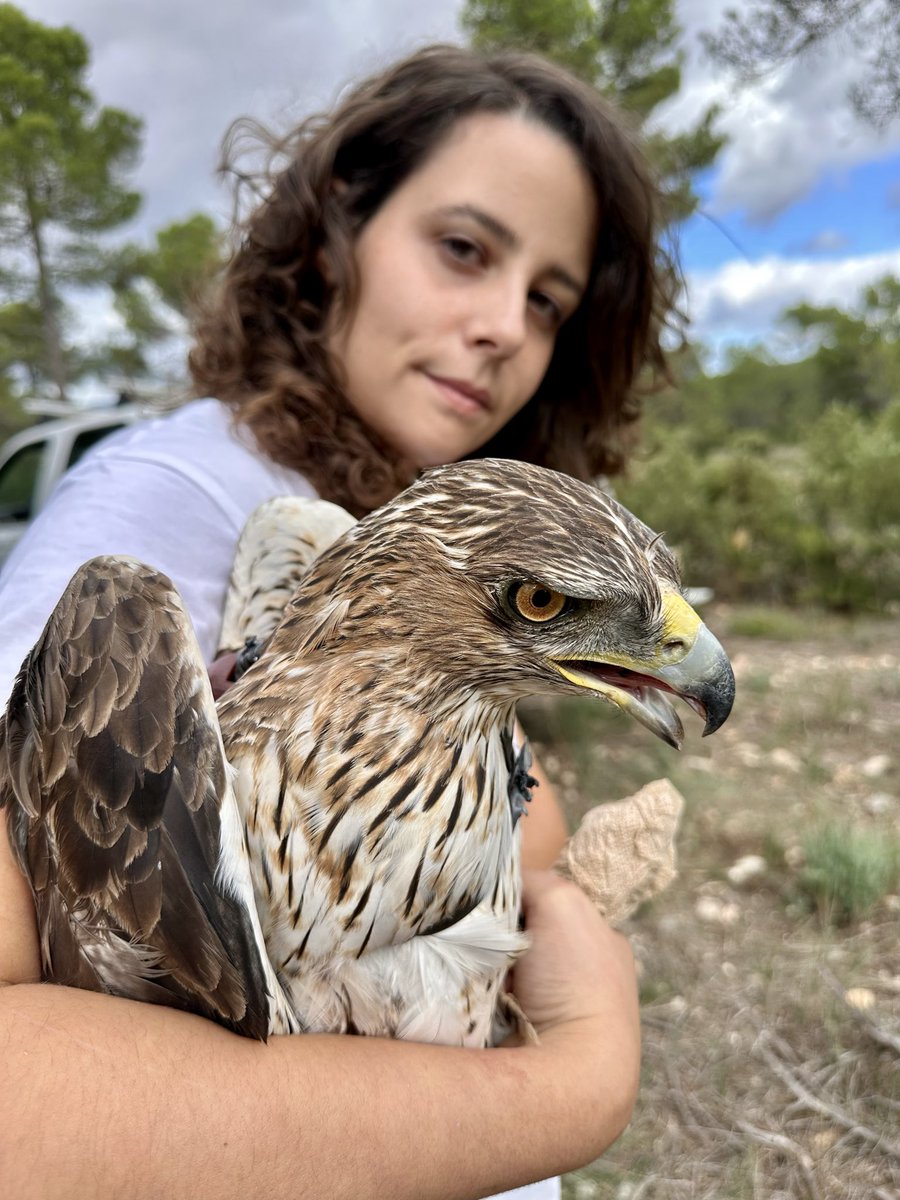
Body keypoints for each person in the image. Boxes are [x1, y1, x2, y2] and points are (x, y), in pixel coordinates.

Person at [0, 43, 674, 1199]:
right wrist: (567, 1089)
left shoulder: (412, 524)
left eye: (548, 301)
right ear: (333, 232)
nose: (506, 326)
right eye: (465, 249)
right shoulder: (174, 500)